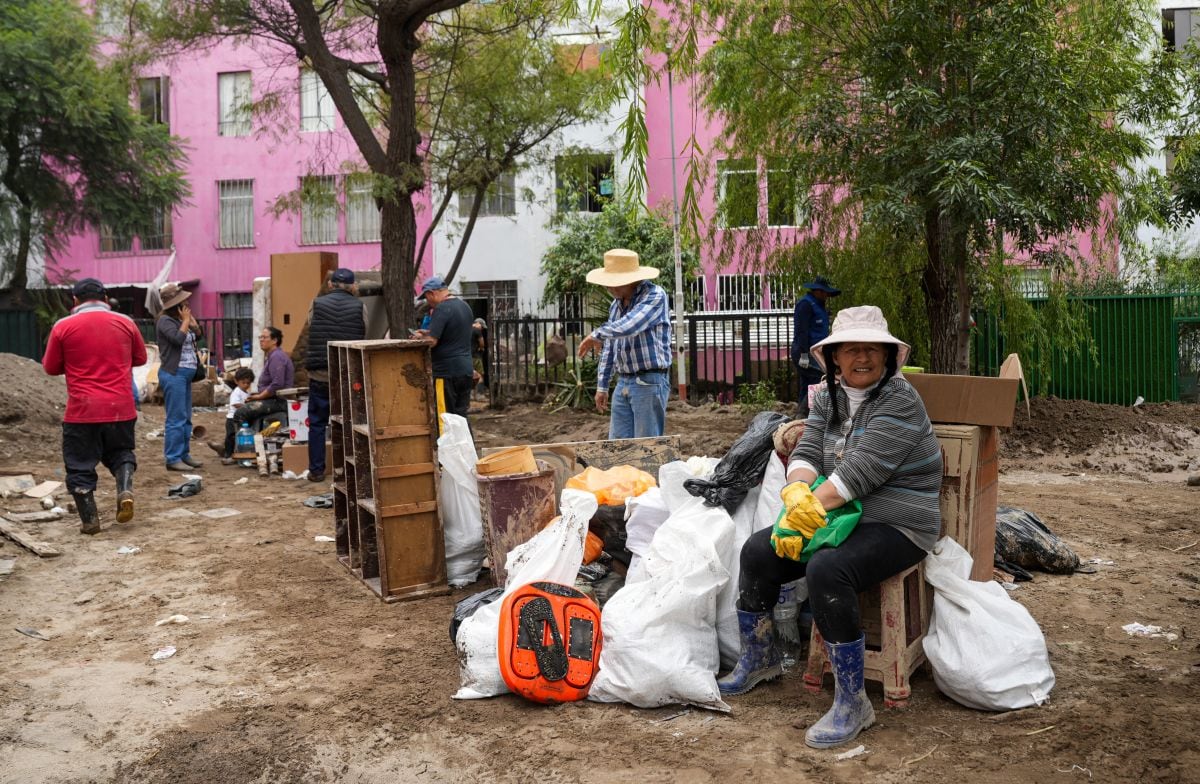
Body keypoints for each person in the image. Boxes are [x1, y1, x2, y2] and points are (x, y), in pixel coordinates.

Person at [718, 305, 942, 750]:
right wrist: (797, 492)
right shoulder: (829, 397)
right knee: (758, 552)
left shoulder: (899, 400)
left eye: (872, 349)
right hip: (841, 516)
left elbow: (859, 473)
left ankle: (852, 702)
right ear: (834, 358)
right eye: (852, 349)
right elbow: (809, 452)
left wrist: (810, 506)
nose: (863, 357)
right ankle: (758, 658)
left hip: (898, 522)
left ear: (888, 357)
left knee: (827, 569)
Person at [42, 278, 147, 534]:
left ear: (75, 300)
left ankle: (90, 520)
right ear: (105, 297)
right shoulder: (126, 322)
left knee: (79, 464)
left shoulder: (62, 326)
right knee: (121, 452)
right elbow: (141, 358)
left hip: (82, 411)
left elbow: (50, 367)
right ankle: (124, 490)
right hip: (121, 408)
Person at [576, 248, 672, 439]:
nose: (609, 289)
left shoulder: (654, 295)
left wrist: (597, 334)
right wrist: (602, 386)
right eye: (607, 284)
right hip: (624, 382)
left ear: (631, 280)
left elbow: (631, 325)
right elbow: (610, 347)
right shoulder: (616, 306)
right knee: (617, 447)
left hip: (649, 381)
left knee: (646, 448)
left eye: (614, 284)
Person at [304, 268, 366, 482]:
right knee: (348, 421)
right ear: (352, 286)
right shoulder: (360, 306)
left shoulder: (316, 303)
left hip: (320, 372)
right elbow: (364, 331)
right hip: (347, 373)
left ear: (330, 284)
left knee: (318, 423)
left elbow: (312, 326)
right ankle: (349, 469)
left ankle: (317, 471)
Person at [155, 282, 205, 471]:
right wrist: (185, 321)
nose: (187, 305)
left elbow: (197, 337)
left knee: (186, 417)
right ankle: (173, 458)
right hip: (173, 374)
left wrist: (193, 325)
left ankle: (184, 454)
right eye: (183, 302)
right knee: (175, 418)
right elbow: (177, 340)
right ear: (176, 305)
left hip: (186, 375)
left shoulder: (180, 320)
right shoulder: (165, 321)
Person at [417, 275, 476, 421]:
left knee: (446, 417)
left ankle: (447, 445)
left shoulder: (441, 308)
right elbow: (453, 333)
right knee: (461, 416)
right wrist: (429, 332)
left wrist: (420, 338)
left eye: (426, 297)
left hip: (446, 373)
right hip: (466, 370)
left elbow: (432, 341)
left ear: (432, 293)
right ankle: (467, 444)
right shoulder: (464, 306)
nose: (428, 302)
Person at [790, 276, 841, 416]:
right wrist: (804, 354)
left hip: (816, 352)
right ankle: (808, 413)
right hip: (806, 352)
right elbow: (802, 331)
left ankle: (801, 415)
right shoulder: (806, 305)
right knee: (818, 380)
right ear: (817, 291)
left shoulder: (819, 306)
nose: (826, 296)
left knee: (807, 384)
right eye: (824, 293)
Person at [233, 326, 294, 431]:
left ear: (275, 340)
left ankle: (245, 445)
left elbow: (277, 384)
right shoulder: (272, 356)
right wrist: (258, 395)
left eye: (264, 337)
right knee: (243, 409)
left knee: (240, 413)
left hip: (279, 401)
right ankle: (231, 443)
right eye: (260, 337)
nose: (261, 340)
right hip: (272, 399)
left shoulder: (277, 357)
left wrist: (260, 396)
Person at [208, 367, 255, 464]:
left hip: (240, 419)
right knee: (231, 437)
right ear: (236, 381)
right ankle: (228, 455)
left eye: (248, 383)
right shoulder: (237, 391)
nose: (246, 385)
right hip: (232, 419)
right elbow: (235, 404)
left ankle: (226, 451)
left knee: (237, 437)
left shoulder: (246, 392)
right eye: (244, 382)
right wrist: (248, 407)